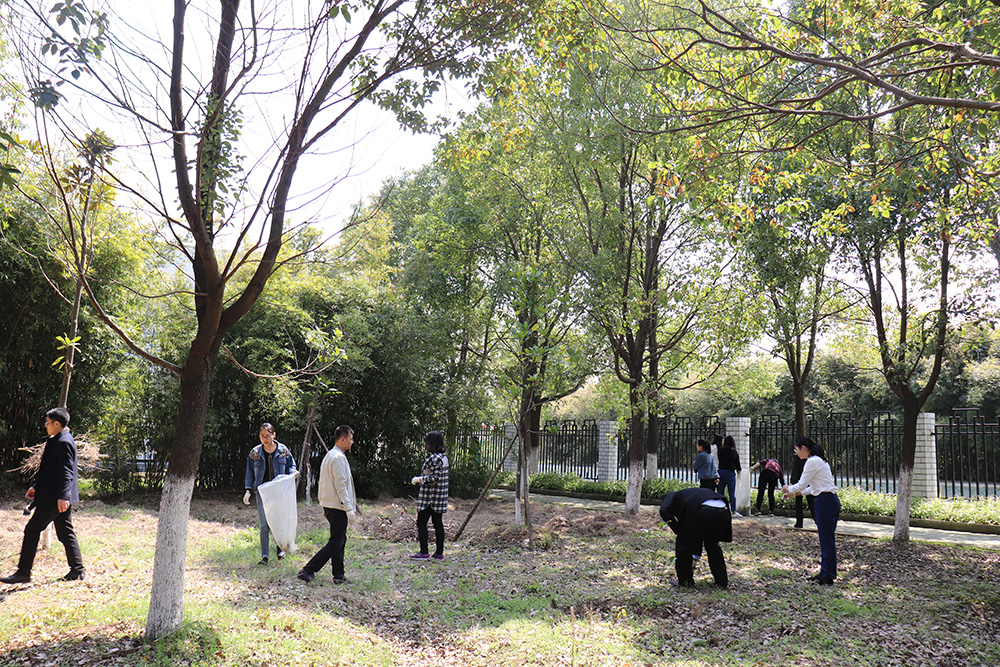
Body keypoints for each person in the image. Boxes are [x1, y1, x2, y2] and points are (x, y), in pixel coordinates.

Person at [2, 408, 85, 584]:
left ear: (57, 423)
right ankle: (77, 570)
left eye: (48, 423)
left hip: (55, 499)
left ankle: (23, 573)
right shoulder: (58, 439)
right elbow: (50, 471)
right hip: (55, 496)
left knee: (32, 530)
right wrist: (36, 487)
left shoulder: (63, 442)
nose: (46, 426)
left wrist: (63, 496)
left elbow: (67, 472)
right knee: (65, 532)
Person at [298, 425, 356, 585]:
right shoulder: (337, 458)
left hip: (333, 505)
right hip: (338, 507)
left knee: (340, 540)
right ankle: (307, 570)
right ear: (342, 439)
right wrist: (348, 508)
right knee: (336, 542)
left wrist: (325, 504)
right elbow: (340, 485)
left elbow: (325, 483)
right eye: (350, 439)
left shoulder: (331, 455)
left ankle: (339, 575)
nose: (352, 442)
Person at [783, 436, 840, 585]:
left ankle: (828, 576)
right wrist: (794, 493)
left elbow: (801, 484)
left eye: (796, 450)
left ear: (803, 448)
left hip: (825, 502)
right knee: (825, 539)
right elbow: (812, 488)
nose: (796, 453)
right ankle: (824, 573)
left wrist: (788, 489)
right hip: (827, 500)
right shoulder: (818, 460)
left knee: (826, 539)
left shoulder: (812, 461)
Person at [243, 422, 297, 565]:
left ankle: (281, 549)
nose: (265, 439)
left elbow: (291, 465)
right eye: (262, 436)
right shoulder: (255, 453)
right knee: (264, 525)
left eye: (267, 436)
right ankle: (265, 556)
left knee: (279, 521)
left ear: (274, 435)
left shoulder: (283, 450)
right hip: (262, 492)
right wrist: (248, 490)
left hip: (279, 491)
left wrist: (293, 474)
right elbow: (249, 472)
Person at [660, 487, 732, 588]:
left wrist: (677, 529)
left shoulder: (670, 496)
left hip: (702, 510)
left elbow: (664, 511)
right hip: (723, 511)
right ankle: (721, 582)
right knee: (712, 546)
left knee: (683, 544)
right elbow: (696, 537)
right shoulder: (690, 495)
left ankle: (685, 582)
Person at [410, 430, 450, 561]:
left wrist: (420, 479)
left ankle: (424, 552)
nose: (425, 445)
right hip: (440, 498)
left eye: (427, 442)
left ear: (432, 443)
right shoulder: (443, 458)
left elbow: (435, 477)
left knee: (421, 522)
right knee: (437, 523)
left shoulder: (435, 458)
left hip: (430, 498)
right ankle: (439, 553)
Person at [789, 447, 816, 528]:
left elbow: (795, 470)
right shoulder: (810, 456)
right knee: (811, 502)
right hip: (808, 480)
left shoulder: (798, 456)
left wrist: (792, 482)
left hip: (800, 481)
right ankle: (817, 521)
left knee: (799, 502)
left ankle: (799, 522)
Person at [717, 435, 742, 516]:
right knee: (731, 493)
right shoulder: (733, 452)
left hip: (721, 472)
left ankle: (719, 508)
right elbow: (737, 464)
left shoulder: (720, 450)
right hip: (730, 473)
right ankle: (733, 510)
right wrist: (739, 472)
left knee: (720, 491)